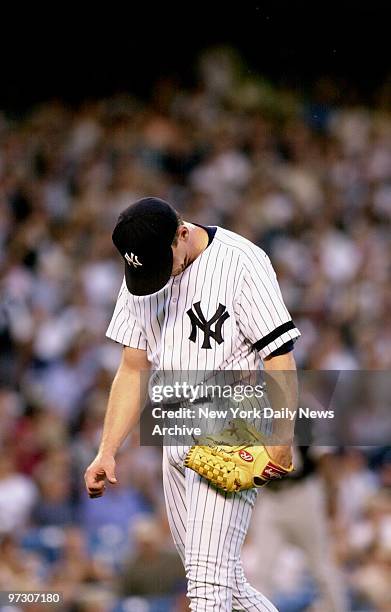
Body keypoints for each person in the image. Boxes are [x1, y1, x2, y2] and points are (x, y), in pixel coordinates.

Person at [84, 197, 300, 611]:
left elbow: (278, 355)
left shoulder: (241, 262)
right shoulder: (142, 269)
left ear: (181, 233)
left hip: (230, 420)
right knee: (227, 587)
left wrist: (281, 435)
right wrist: (107, 450)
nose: (155, 278)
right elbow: (133, 368)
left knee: (205, 587)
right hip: (174, 423)